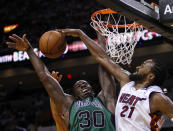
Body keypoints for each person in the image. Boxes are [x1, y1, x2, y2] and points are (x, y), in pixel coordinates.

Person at [55, 29, 173, 131]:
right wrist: (82, 34)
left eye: (143, 66)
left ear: (151, 76)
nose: (138, 67)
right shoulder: (126, 81)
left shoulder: (157, 97)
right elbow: (102, 57)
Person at [6, 33, 116, 131]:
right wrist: (29, 50)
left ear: (92, 88)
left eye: (85, 83)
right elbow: (44, 76)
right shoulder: (69, 104)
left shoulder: (104, 99)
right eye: (78, 85)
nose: (82, 85)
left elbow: (104, 61)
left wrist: (100, 33)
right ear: (74, 94)